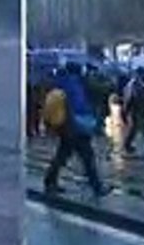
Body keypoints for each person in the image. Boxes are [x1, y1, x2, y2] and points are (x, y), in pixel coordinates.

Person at [42, 62, 108, 197]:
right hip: (77, 126)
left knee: (62, 155)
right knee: (87, 157)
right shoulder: (78, 83)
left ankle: (50, 182)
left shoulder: (61, 82)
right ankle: (97, 187)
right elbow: (101, 90)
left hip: (65, 127)